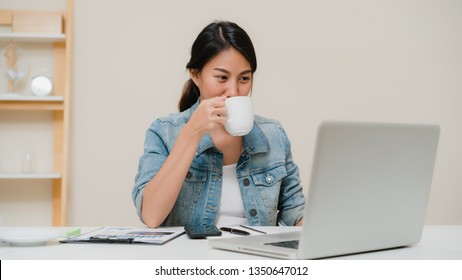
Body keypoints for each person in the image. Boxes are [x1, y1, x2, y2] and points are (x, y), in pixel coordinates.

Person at [132, 21, 305, 229]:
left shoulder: (274, 134)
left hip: (254, 258)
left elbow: (295, 216)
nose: (233, 91)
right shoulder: (164, 132)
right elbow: (151, 216)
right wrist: (192, 132)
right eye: (222, 77)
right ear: (195, 74)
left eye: (244, 78)